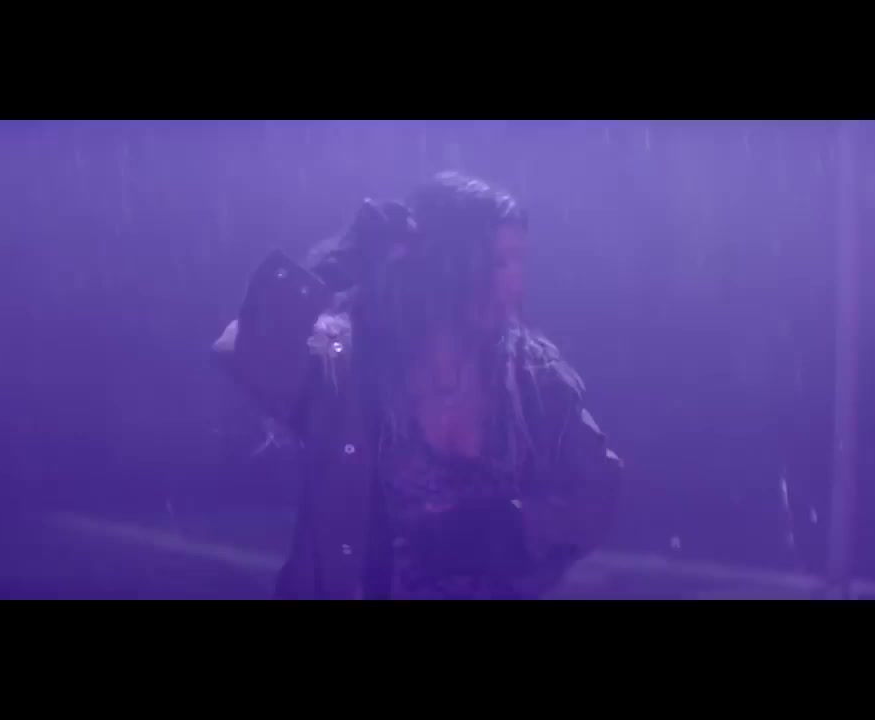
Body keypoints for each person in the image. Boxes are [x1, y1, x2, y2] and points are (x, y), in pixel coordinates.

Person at [212, 171, 622, 599]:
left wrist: (521, 526)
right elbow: (241, 353)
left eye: (517, 261)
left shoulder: (534, 376)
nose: (508, 281)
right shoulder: (349, 360)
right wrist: (335, 263)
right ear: (438, 263)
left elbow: (599, 488)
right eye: (494, 261)